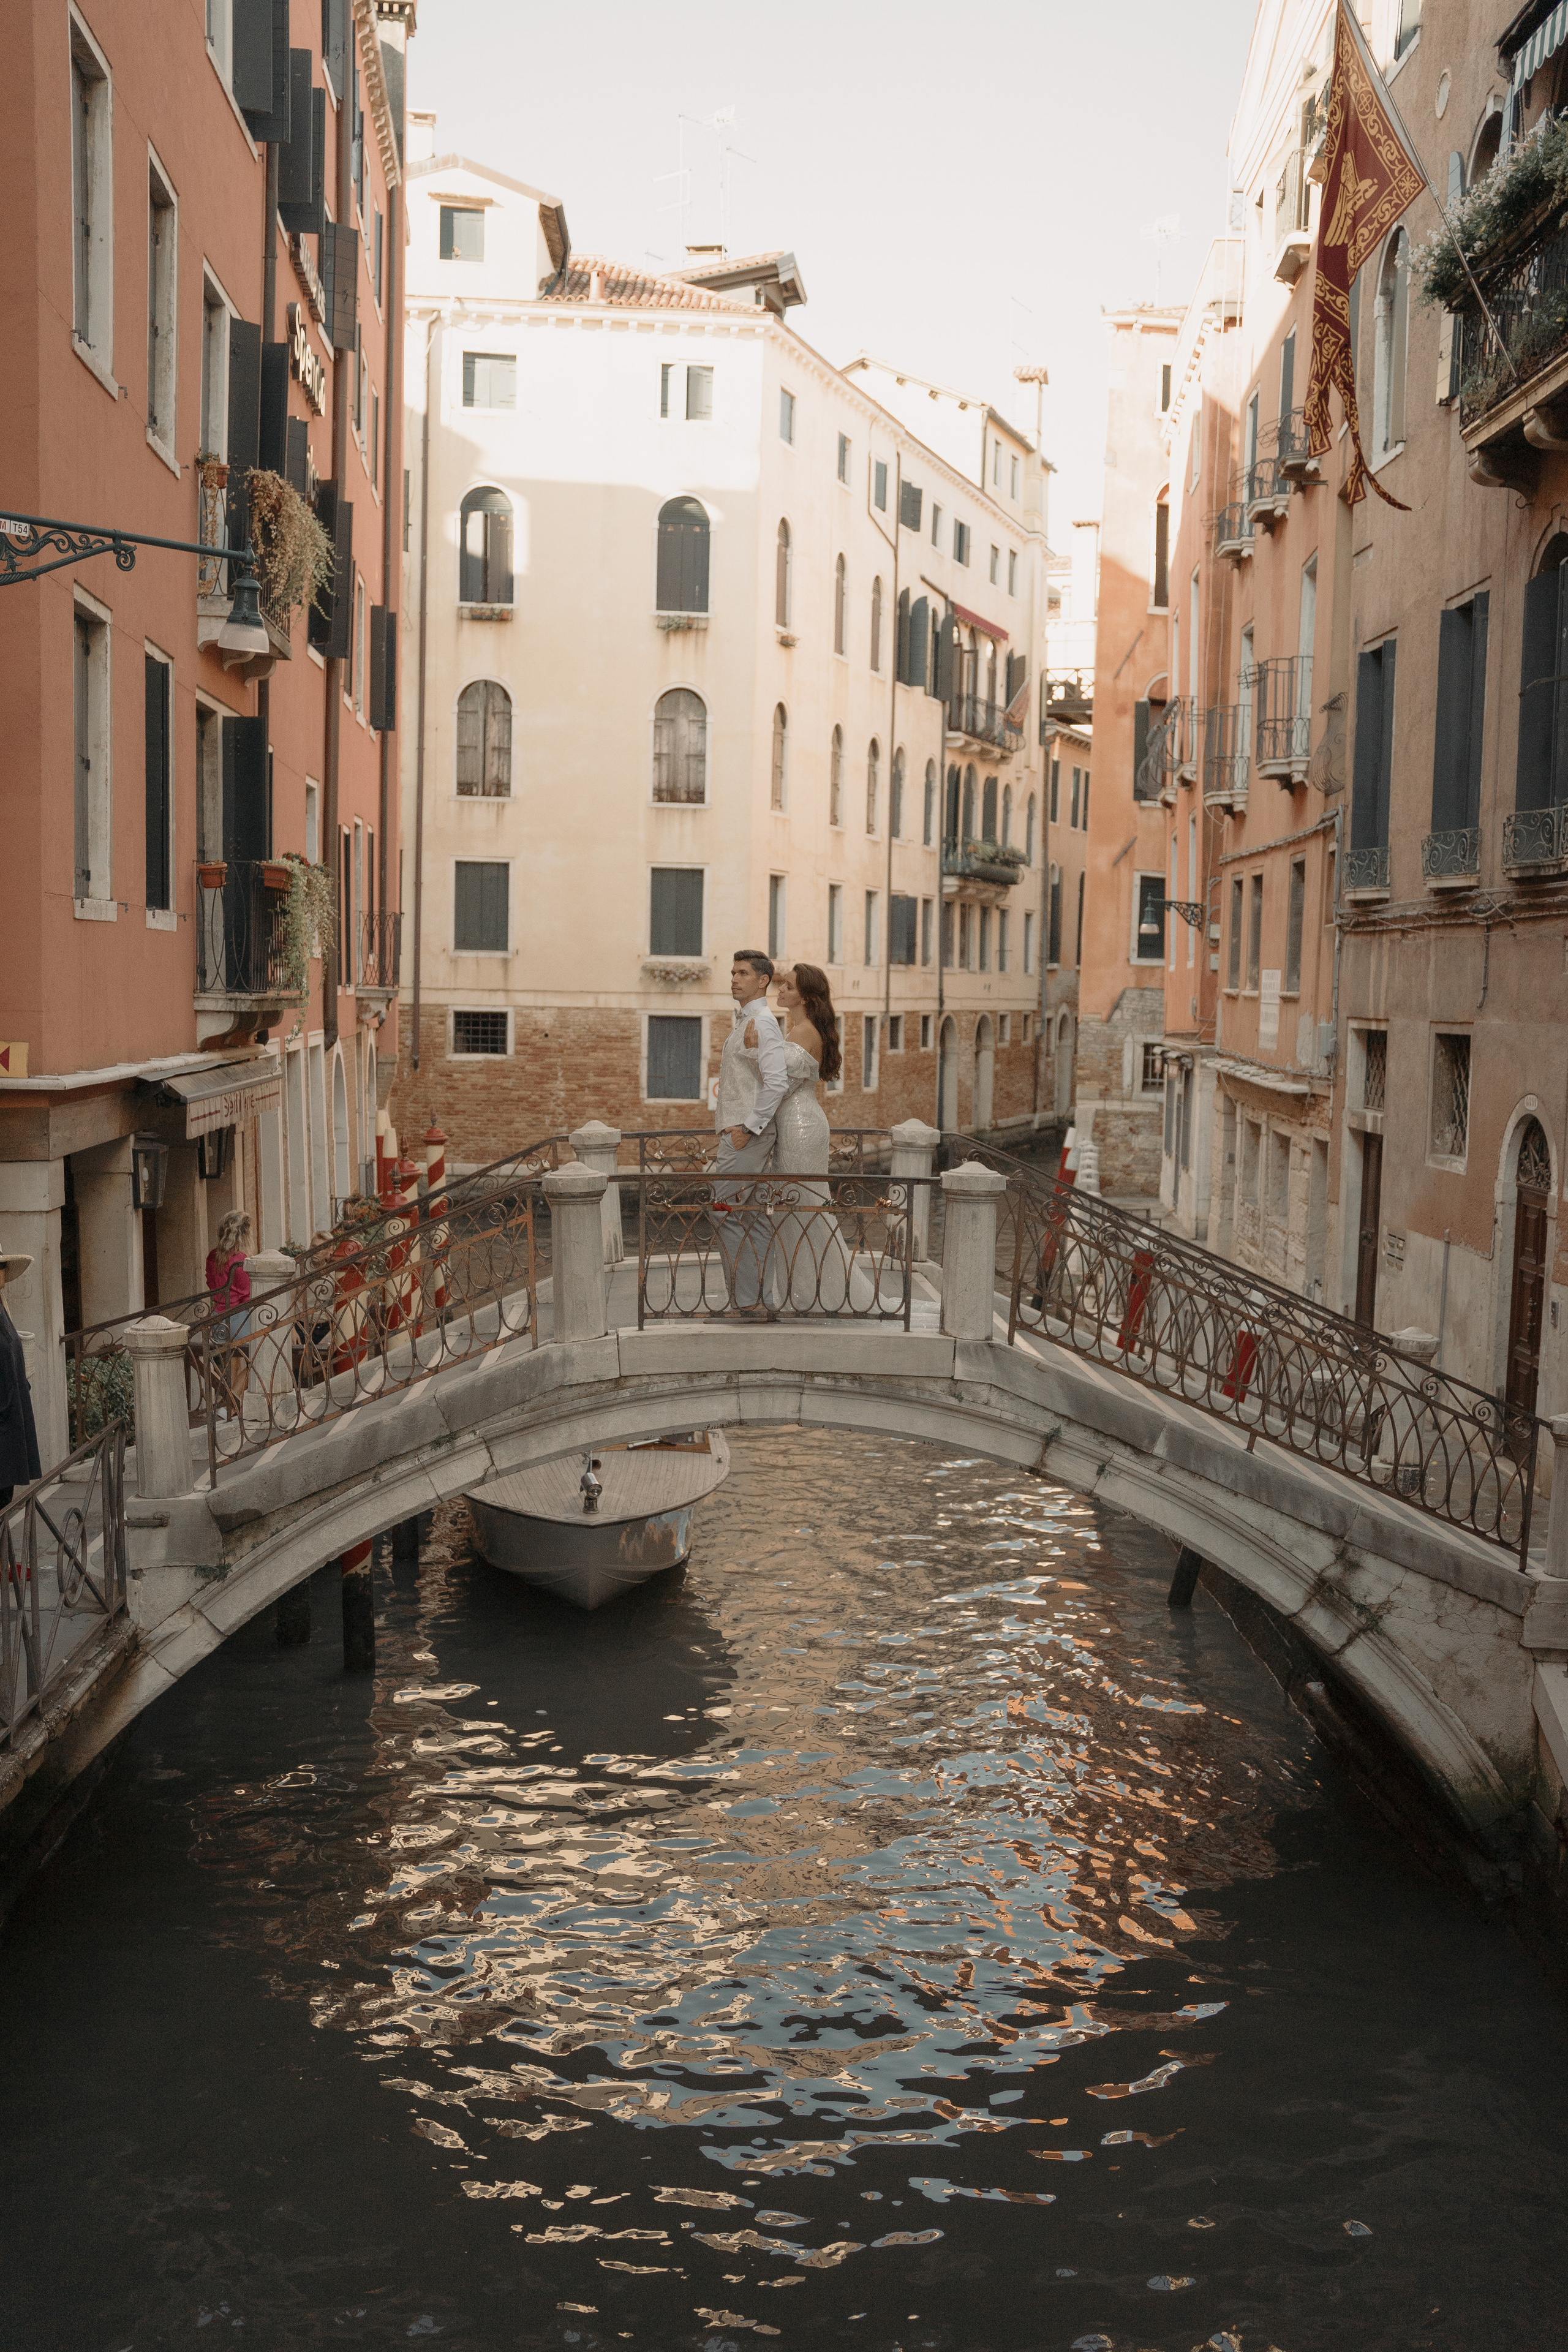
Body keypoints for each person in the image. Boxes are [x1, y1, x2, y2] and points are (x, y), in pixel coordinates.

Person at [765, 965, 872, 1312]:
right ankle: (801, 1291)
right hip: (797, 1121)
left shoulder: (804, 1032)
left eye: (788, 987)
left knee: (801, 1208)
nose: (779, 990)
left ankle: (816, 1295)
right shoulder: (798, 1027)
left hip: (800, 1125)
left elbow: (780, 1086)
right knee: (793, 1208)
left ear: (805, 997)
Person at [710, 950, 788, 1313]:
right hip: (743, 1135)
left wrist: (747, 1129)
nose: (734, 979)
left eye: (742, 973)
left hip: (747, 1138)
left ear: (763, 981)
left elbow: (777, 1082)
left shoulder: (764, 1023)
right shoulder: (746, 1022)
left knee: (722, 1211)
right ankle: (760, 1300)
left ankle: (746, 1301)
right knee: (754, 1218)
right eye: (732, 973)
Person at [0, 1250, 42, 1511]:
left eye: (3, 1265)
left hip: (10, 1420)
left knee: (4, 1500)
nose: (2, 1271)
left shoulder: (2, 1307)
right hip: (3, 1419)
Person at [205, 1210, 254, 1414]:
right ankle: (232, 1398)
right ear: (242, 1235)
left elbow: (210, 1283)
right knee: (259, 1359)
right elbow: (246, 1295)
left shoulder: (213, 1257)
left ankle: (230, 1410)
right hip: (238, 1317)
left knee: (231, 1362)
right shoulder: (240, 1261)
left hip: (218, 1317)